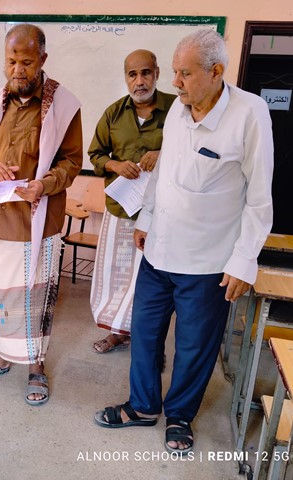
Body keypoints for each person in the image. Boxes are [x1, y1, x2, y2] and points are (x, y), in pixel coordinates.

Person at [95, 29, 273, 456]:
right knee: (145, 333)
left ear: (216, 71)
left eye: (185, 74)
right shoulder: (179, 108)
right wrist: (147, 218)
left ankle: (179, 416)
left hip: (208, 262)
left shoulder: (250, 114)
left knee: (193, 347)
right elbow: (164, 175)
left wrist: (244, 260)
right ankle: (142, 407)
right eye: (174, 72)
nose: (174, 83)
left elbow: (259, 198)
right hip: (158, 252)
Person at [0, 23, 82, 406]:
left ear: (42, 59)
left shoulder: (65, 105)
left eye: (26, 62)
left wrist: (43, 185)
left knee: (36, 299)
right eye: (11, 61)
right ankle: (1, 355)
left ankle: (35, 365)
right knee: (2, 296)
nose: (17, 70)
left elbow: (71, 162)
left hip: (39, 222)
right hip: (0, 220)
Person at [88, 49, 176, 354]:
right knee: (116, 274)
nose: (140, 81)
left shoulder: (177, 109)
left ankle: (150, 343)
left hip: (161, 213)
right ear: (126, 78)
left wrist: (162, 154)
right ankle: (117, 332)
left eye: (146, 73)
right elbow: (96, 155)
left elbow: (194, 149)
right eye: (133, 74)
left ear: (157, 74)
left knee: (153, 280)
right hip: (121, 209)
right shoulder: (113, 113)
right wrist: (115, 165)